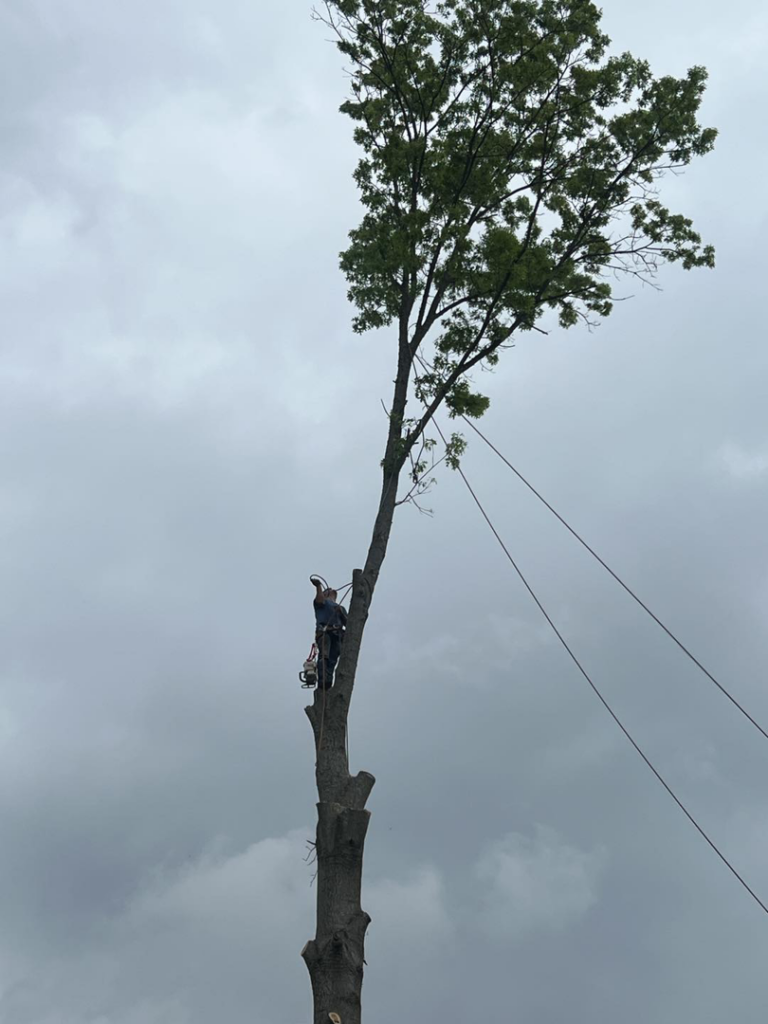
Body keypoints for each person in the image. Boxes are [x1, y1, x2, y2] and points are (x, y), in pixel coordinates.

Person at [310, 577, 347, 690]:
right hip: (325, 632)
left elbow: (349, 622)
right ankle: (322, 681)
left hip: (338, 635)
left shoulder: (340, 608)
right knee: (324, 656)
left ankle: (328, 681)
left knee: (333, 659)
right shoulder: (322, 603)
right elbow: (319, 599)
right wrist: (318, 586)